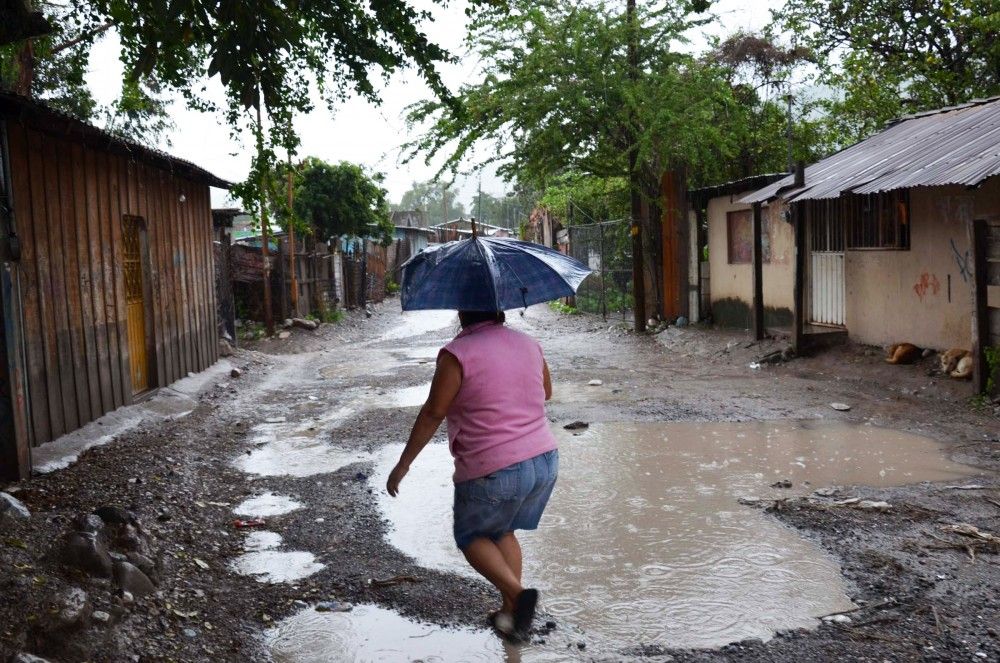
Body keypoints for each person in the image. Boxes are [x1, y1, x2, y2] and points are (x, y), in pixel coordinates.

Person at [386, 309, 559, 640]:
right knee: (502, 531)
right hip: (543, 460)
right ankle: (511, 616)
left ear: (463, 311)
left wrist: (403, 464)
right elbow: (546, 392)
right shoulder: (529, 343)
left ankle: (519, 596)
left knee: (470, 536)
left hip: (494, 467)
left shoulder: (457, 354)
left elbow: (434, 411)